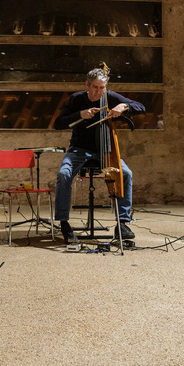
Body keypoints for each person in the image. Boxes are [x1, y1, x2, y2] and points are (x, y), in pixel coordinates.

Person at [54, 67, 146, 244]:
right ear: (87, 85)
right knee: (63, 175)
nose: (98, 92)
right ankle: (64, 223)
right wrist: (80, 114)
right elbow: (59, 123)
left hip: (105, 150)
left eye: (102, 88)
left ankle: (123, 224)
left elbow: (140, 107)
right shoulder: (76, 99)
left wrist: (123, 106)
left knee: (126, 174)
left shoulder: (110, 97)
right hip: (79, 149)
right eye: (95, 87)